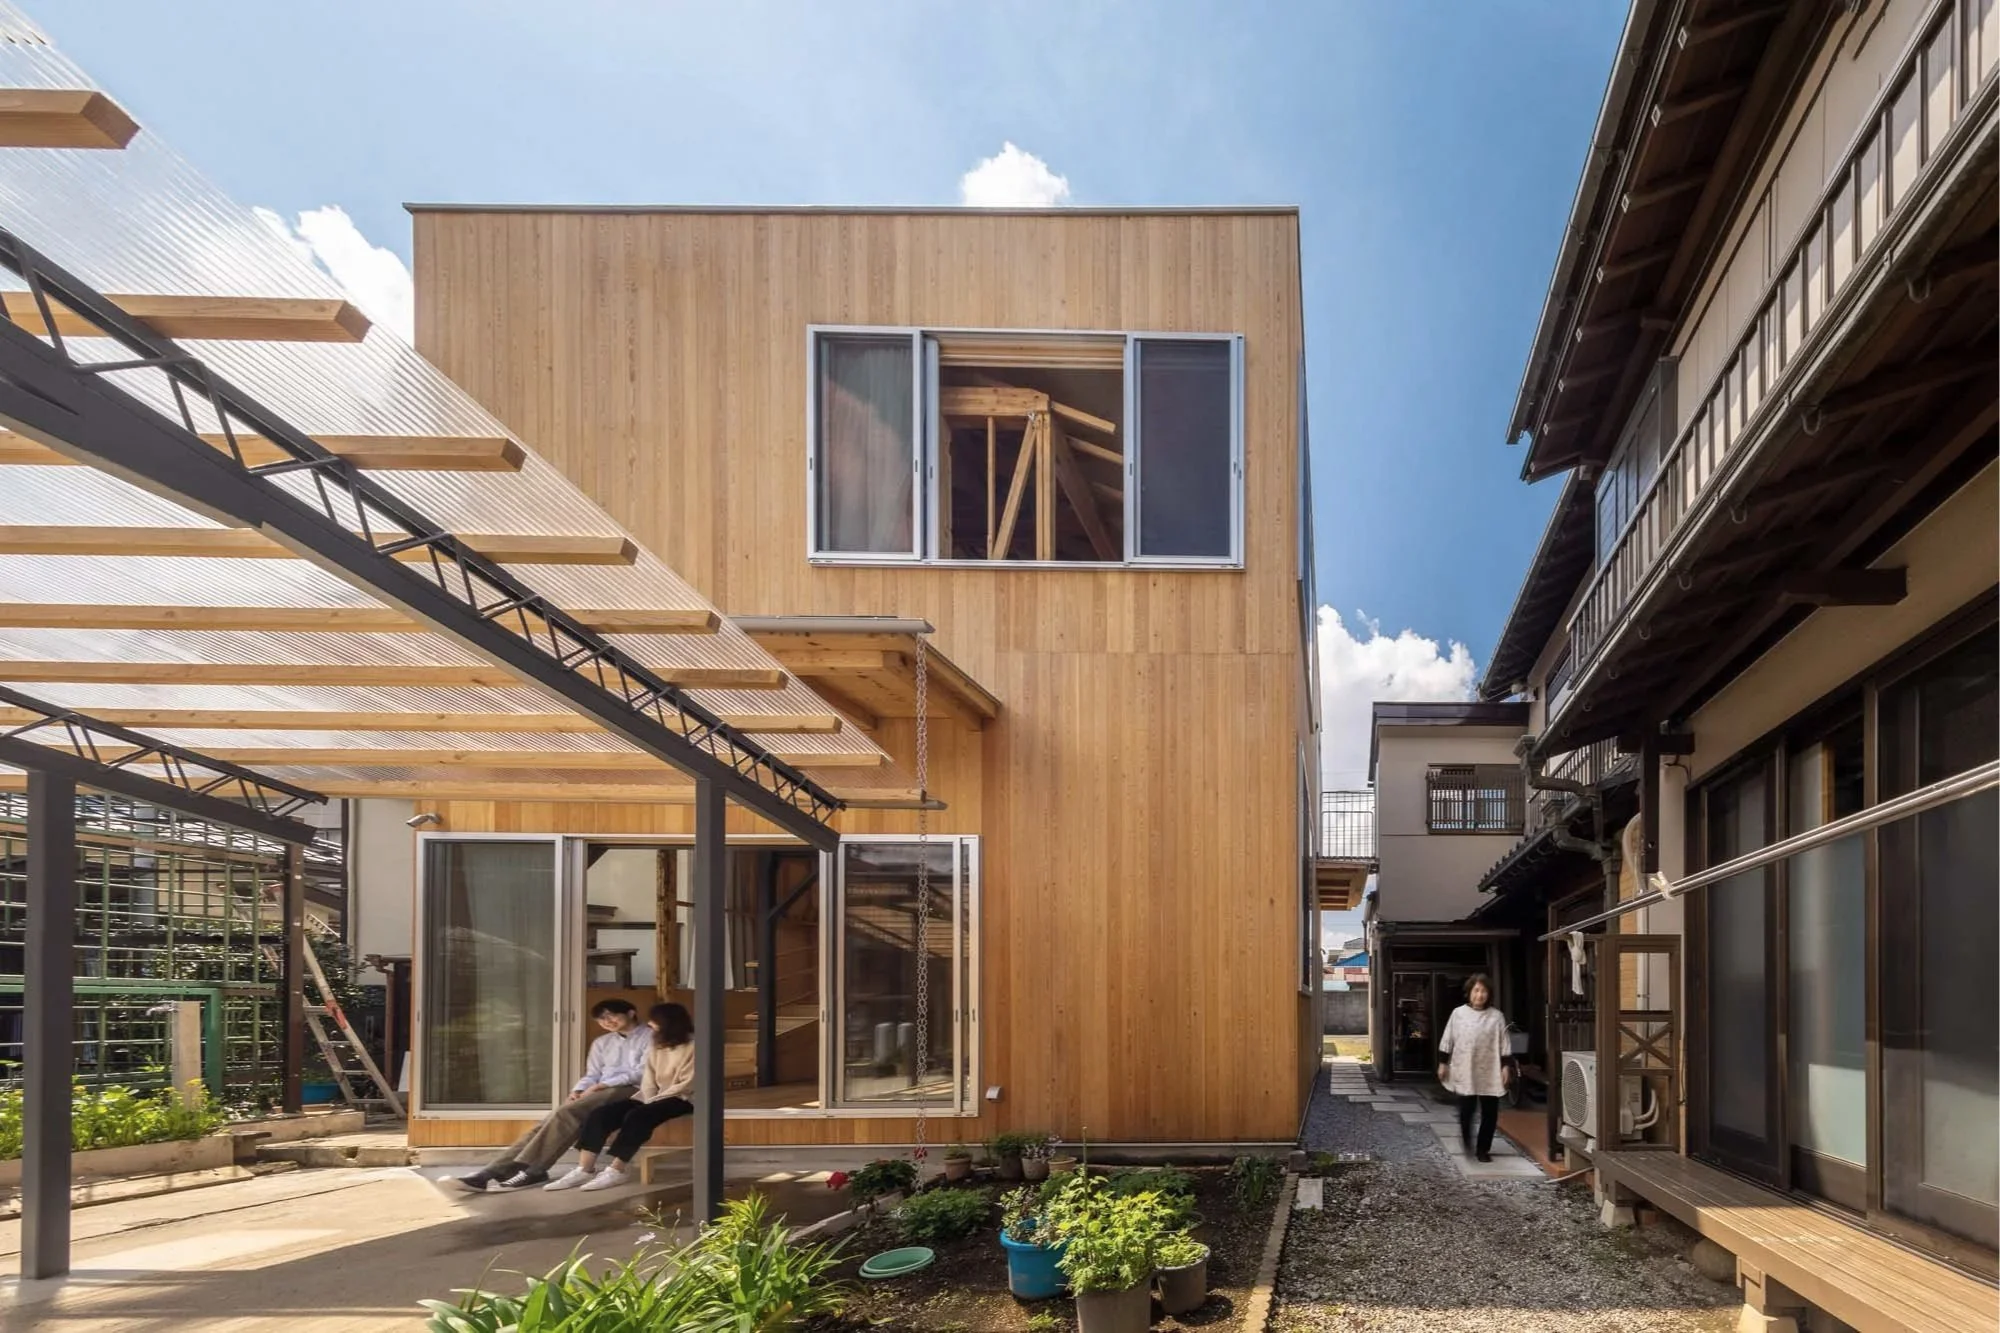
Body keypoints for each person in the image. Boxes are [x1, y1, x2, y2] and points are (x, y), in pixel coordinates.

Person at [451, 997, 654, 1192]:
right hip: (600, 1089)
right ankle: (489, 1173)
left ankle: (532, 1169)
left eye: (612, 1016)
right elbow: (592, 1074)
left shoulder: (650, 1036)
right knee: (549, 1120)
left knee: (565, 1114)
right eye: (602, 1019)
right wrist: (578, 1090)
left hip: (633, 1088)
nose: (607, 1022)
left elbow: (643, 1071)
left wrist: (600, 1086)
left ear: (630, 1013)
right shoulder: (602, 1042)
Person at [546, 1002, 696, 1192]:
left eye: (654, 1021)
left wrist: (653, 1102)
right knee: (601, 1114)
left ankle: (617, 1170)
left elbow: (688, 1083)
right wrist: (648, 1098)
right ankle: (584, 1169)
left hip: (683, 1097)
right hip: (654, 1096)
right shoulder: (658, 1045)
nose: (650, 1024)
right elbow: (648, 1078)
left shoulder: (693, 1046)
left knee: (638, 1116)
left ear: (668, 1022)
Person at [1436, 973, 1509, 1162]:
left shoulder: (1496, 1017)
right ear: (1469, 992)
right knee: (1466, 1109)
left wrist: (1505, 1067)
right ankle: (1467, 1140)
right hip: (1465, 1068)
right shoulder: (1458, 1014)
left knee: (1490, 1112)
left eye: (1484, 991)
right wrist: (1443, 1063)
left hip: (1490, 1069)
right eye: (1476, 990)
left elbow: (1504, 1043)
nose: (1480, 995)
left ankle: (1483, 1149)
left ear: (1489, 994)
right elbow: (1448, 1038)